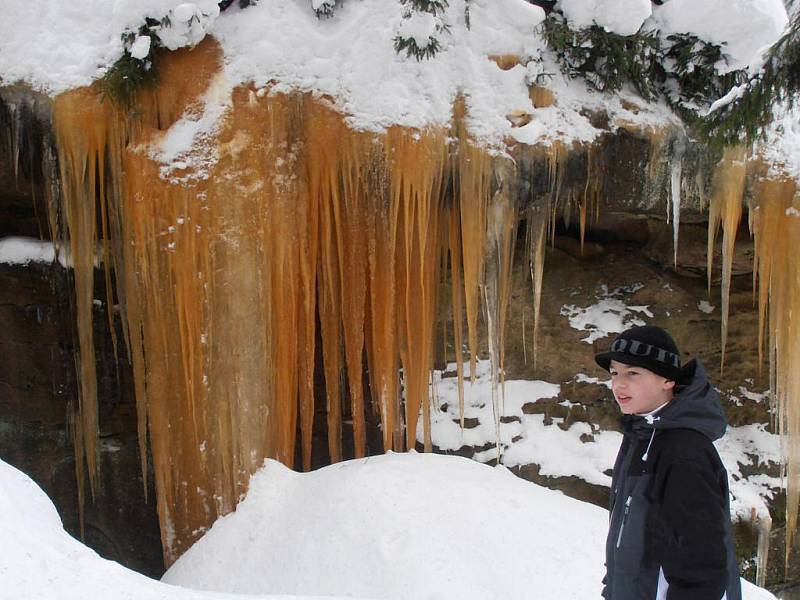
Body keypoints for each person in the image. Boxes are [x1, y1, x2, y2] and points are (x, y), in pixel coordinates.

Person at [594, 325, 741, 600]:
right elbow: (628, 537)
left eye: (633, 373)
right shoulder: (639, 435)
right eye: (614, 373)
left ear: (668, 380)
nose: (619, 384)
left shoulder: (684, 450)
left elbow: (703, 563)